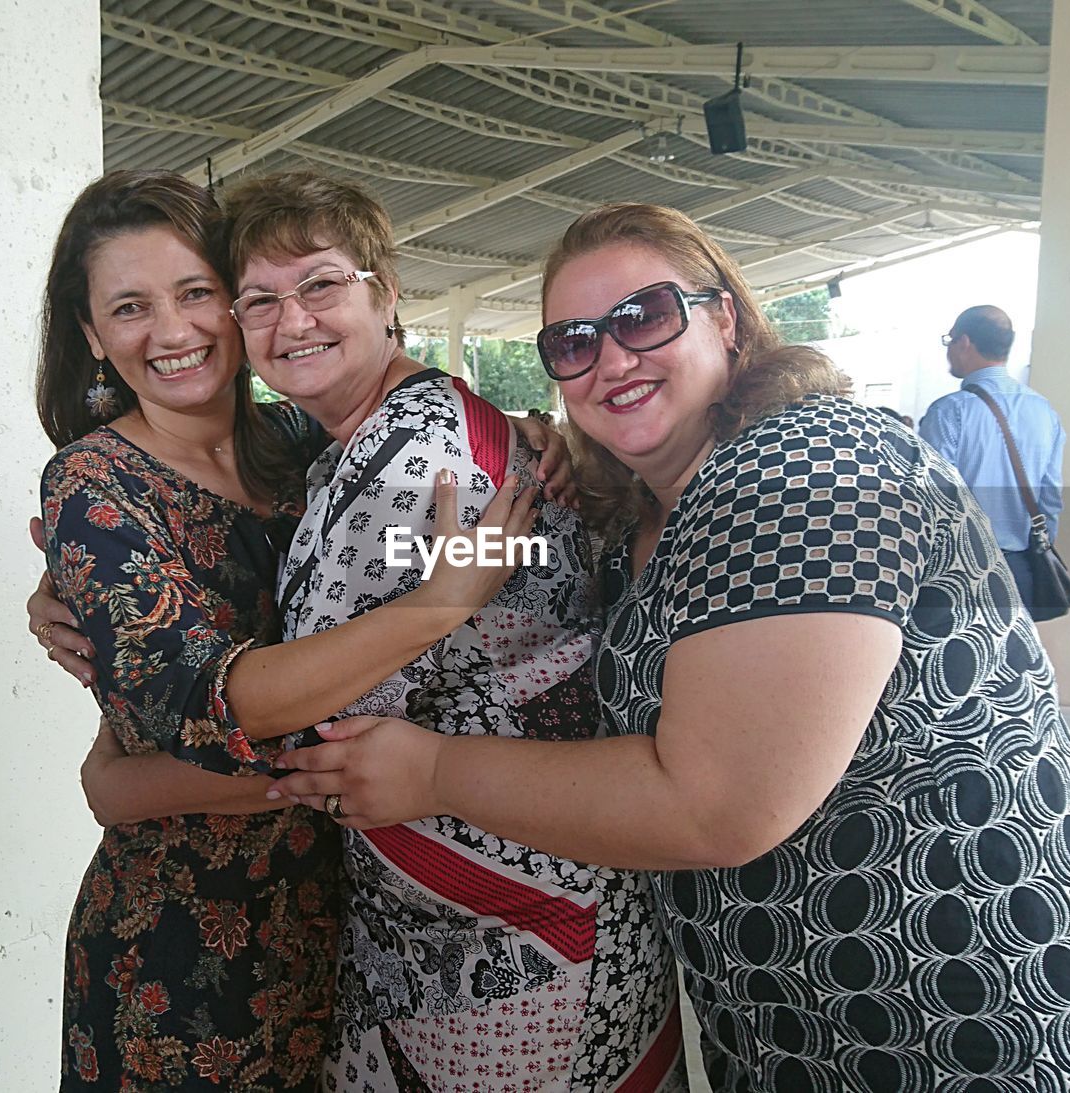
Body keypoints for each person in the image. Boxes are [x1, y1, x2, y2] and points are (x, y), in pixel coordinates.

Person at [275, 203, 1070, 1092]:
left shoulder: (809, 462)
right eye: (573, 343)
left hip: (978, 1017)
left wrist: (432, 771)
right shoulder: (648, 514)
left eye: (645, 317)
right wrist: (502, 501)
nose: (612, 357)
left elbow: (715, 804)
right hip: (802, 1026)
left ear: (727, 319)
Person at [36, 171, 685, 1091]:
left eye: (199, 295)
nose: (176, 331)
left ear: (385, 296)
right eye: (132, 307)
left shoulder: (307, 446)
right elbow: (202, 694)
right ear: (93, 337)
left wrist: (119, 783)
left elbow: (342, 724)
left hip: (404, 923)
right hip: (194, 942)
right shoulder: (104, 482)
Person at [920, 306, 1066, 614]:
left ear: (964, 342)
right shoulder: (1043, 410)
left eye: (950, 341)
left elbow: (932, 497)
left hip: (960, 568)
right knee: (1016, 659)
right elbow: (1051, 495)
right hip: (1023, 565)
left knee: (962, 660)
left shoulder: (950, 411)